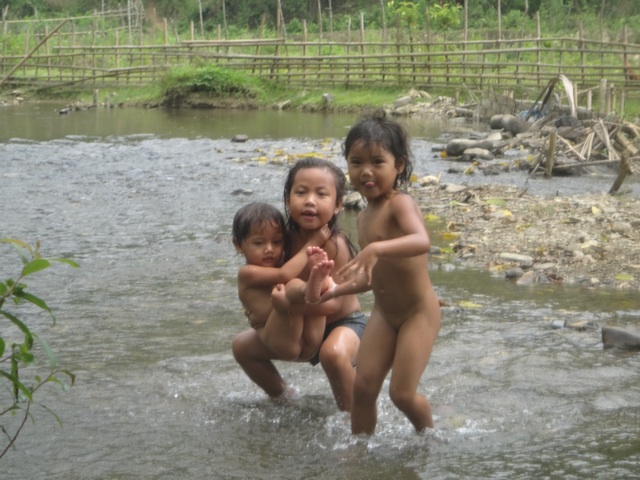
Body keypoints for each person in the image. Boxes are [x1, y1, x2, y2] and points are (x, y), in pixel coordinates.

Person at [323, 110, 441, 434]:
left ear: (399, 165)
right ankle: (360, 451)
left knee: (401, 394)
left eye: (378, 162)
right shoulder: (363, 216)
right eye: (356, 162)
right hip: (385, 315)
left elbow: (421, 240)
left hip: (418, 313)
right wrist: (334, 289)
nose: (366, 171)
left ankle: (427, 437)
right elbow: (368, 278)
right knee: (362, 389)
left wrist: (376, 248)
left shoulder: (398, 204)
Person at [231, 158, 366, 412]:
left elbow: (332, 304)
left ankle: (354, 418)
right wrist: (262, 311)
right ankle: (284, 397)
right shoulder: (281, 239)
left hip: (344, 324)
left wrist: (283, 308)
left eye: (321, 194)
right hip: (302, 330)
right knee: (242, 347)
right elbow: (268, 282)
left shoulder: (333, 245)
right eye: (301, 192)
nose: (310, 201)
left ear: (338, 205)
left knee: (333, 354)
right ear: (287, 200)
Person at [232, 202, 335, 361]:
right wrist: (312, 243)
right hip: (281, 343)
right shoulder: (247, 273)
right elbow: (283, 275)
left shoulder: (282, 263)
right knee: (291, 285)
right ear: (238, 245)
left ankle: (314, 287)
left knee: (296, 287)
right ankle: (310, 288)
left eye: (277, 242)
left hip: (311, 341)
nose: (269, 249)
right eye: (259, 243)